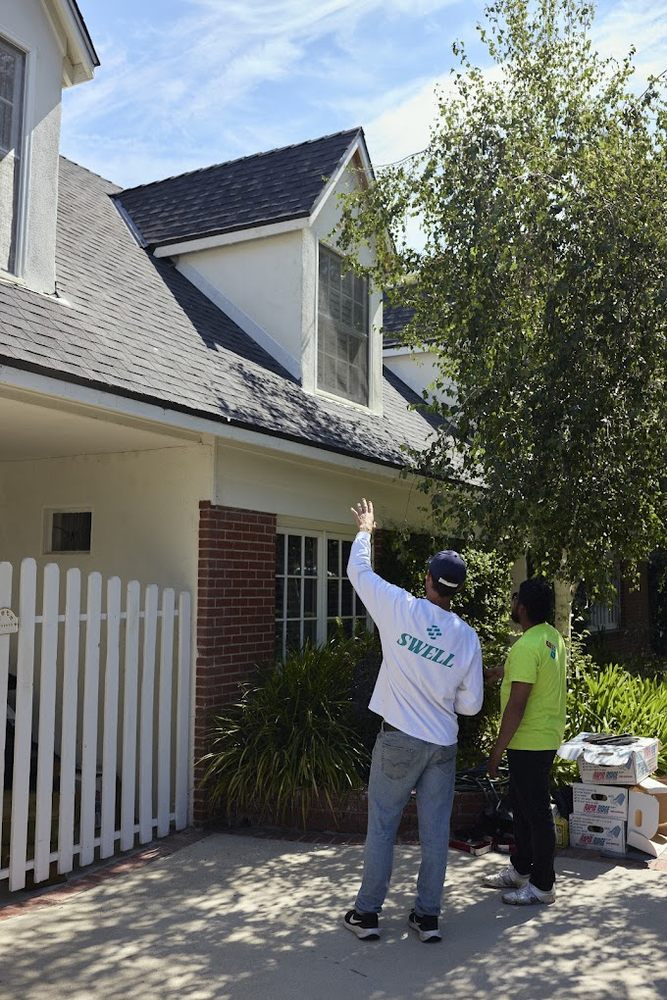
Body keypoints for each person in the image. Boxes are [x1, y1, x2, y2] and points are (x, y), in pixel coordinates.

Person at [343, 498, 484, 943]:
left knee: (383, 825)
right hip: (441, 746)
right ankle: (426, 917)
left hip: (399, 740)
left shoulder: (400, 608)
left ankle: (367, 915)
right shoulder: (466, 638)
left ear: (427, 580)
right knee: (435, 833)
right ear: (456, 590)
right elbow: (471, 707)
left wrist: (366, 529)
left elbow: (358, 574)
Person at [483, 578, 567, 905]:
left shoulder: (525, 646)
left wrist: (495, 751)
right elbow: (530, 669)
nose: (514, 602)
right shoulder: (551, 638)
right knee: (521, 809)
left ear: (523, 608)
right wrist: (497, 672)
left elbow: (516, 706)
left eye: (516, 598)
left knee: (536, 815)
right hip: (544, 737)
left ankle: (543, 885)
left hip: (528, 742)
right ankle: (520, 870)